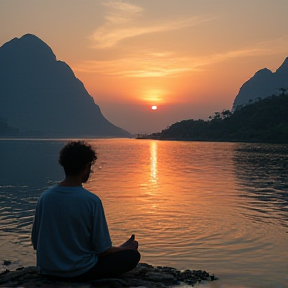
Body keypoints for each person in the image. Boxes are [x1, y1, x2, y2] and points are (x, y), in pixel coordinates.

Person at [31, 141, 140, 281]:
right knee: (132, 256)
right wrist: (126, 249)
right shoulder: (91, 201)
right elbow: (102, 251)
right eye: (90, 166)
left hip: (47, 270)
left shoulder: (45, 198)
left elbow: (36, 242)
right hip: (79, 272)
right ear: (86, 166)